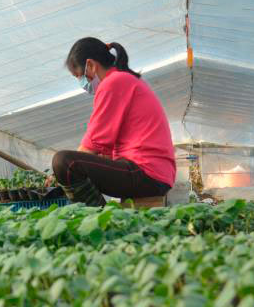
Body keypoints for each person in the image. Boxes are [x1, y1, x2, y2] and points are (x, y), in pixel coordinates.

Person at [51, 37, 176, 206]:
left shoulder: (113, 82)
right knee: (70, 166)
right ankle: (102, 215)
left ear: (91, 65)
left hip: (147, 171)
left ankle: (100, 218)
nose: (81, 83)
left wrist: (59, 175)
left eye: (79, 76)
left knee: (65, 162)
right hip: (153, 172)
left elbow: (93, 142)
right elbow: (104, 147)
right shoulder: (125, 80)